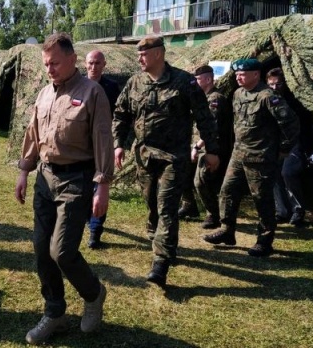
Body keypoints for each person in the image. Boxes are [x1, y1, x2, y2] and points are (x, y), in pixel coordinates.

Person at [14, 33, 113, 345]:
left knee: (63, 252)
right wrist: (24, 172)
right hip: (45, 178)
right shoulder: (44, 94)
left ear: (72, 59)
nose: (50, 69)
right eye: (46, 64)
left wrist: (103, 186)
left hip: (76, 179)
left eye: (55, 62)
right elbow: (33, 134)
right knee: (42, 251)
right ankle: (54, 312)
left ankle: (94, 293)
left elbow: (102, 140)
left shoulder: (92, 92)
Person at [113, 37, 220, 288]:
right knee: (151, 204)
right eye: (138, 54)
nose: (139, 58)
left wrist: (212, 150)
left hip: (174, 156)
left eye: (144, 54)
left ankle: (161, 262)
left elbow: (204, 118)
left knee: (167, 207)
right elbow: (121, 114)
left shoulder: (184, 82)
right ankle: (157, 238)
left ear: (159, 53)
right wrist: (118, 144)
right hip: (145, 155)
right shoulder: (135, 82)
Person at [203, 59, 299, 257]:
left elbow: (291, 123)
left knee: (262, 199)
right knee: (227, 191)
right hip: (238, 154)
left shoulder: (268, 97)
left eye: (243, 74)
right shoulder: (238, 93)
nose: (238, 77)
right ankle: (227, 230)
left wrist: (284, 148)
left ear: (256, 74)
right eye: (237, 74)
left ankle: (264, 241)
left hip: (261, 157)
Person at [267, 67, 313, 226]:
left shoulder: (296, 101)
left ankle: (298, 210)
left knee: (288, 172)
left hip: (295, 142)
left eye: (278, 84)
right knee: (274, 173)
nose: (274, 88)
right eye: (271, 84)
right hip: (275, 142)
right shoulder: (266, 99)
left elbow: (308, 124)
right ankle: (282, 211)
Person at [179, 65, 233, 229]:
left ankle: (213, 214)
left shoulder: (214, 99)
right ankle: (189, 206)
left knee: (200, 181)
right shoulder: (200, 97)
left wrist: (196, 146)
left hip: (210, 148)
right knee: (180, 172)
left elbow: (212, 128)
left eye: (198, 79)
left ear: (208, 79)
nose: (195, 82)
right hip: (197, 145)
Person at [84, 50, 121, 249]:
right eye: (91, 62)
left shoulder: (112, 87)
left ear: (104, 64)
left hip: (103, 145)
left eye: (98, 63)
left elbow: (120, 115)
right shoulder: (77, 85)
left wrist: (116, 144)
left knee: (101, 185)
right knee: (83, 186)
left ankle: (95, 231)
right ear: (85, 64)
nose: (94, 66)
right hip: (81, 145)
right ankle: (88, 220)